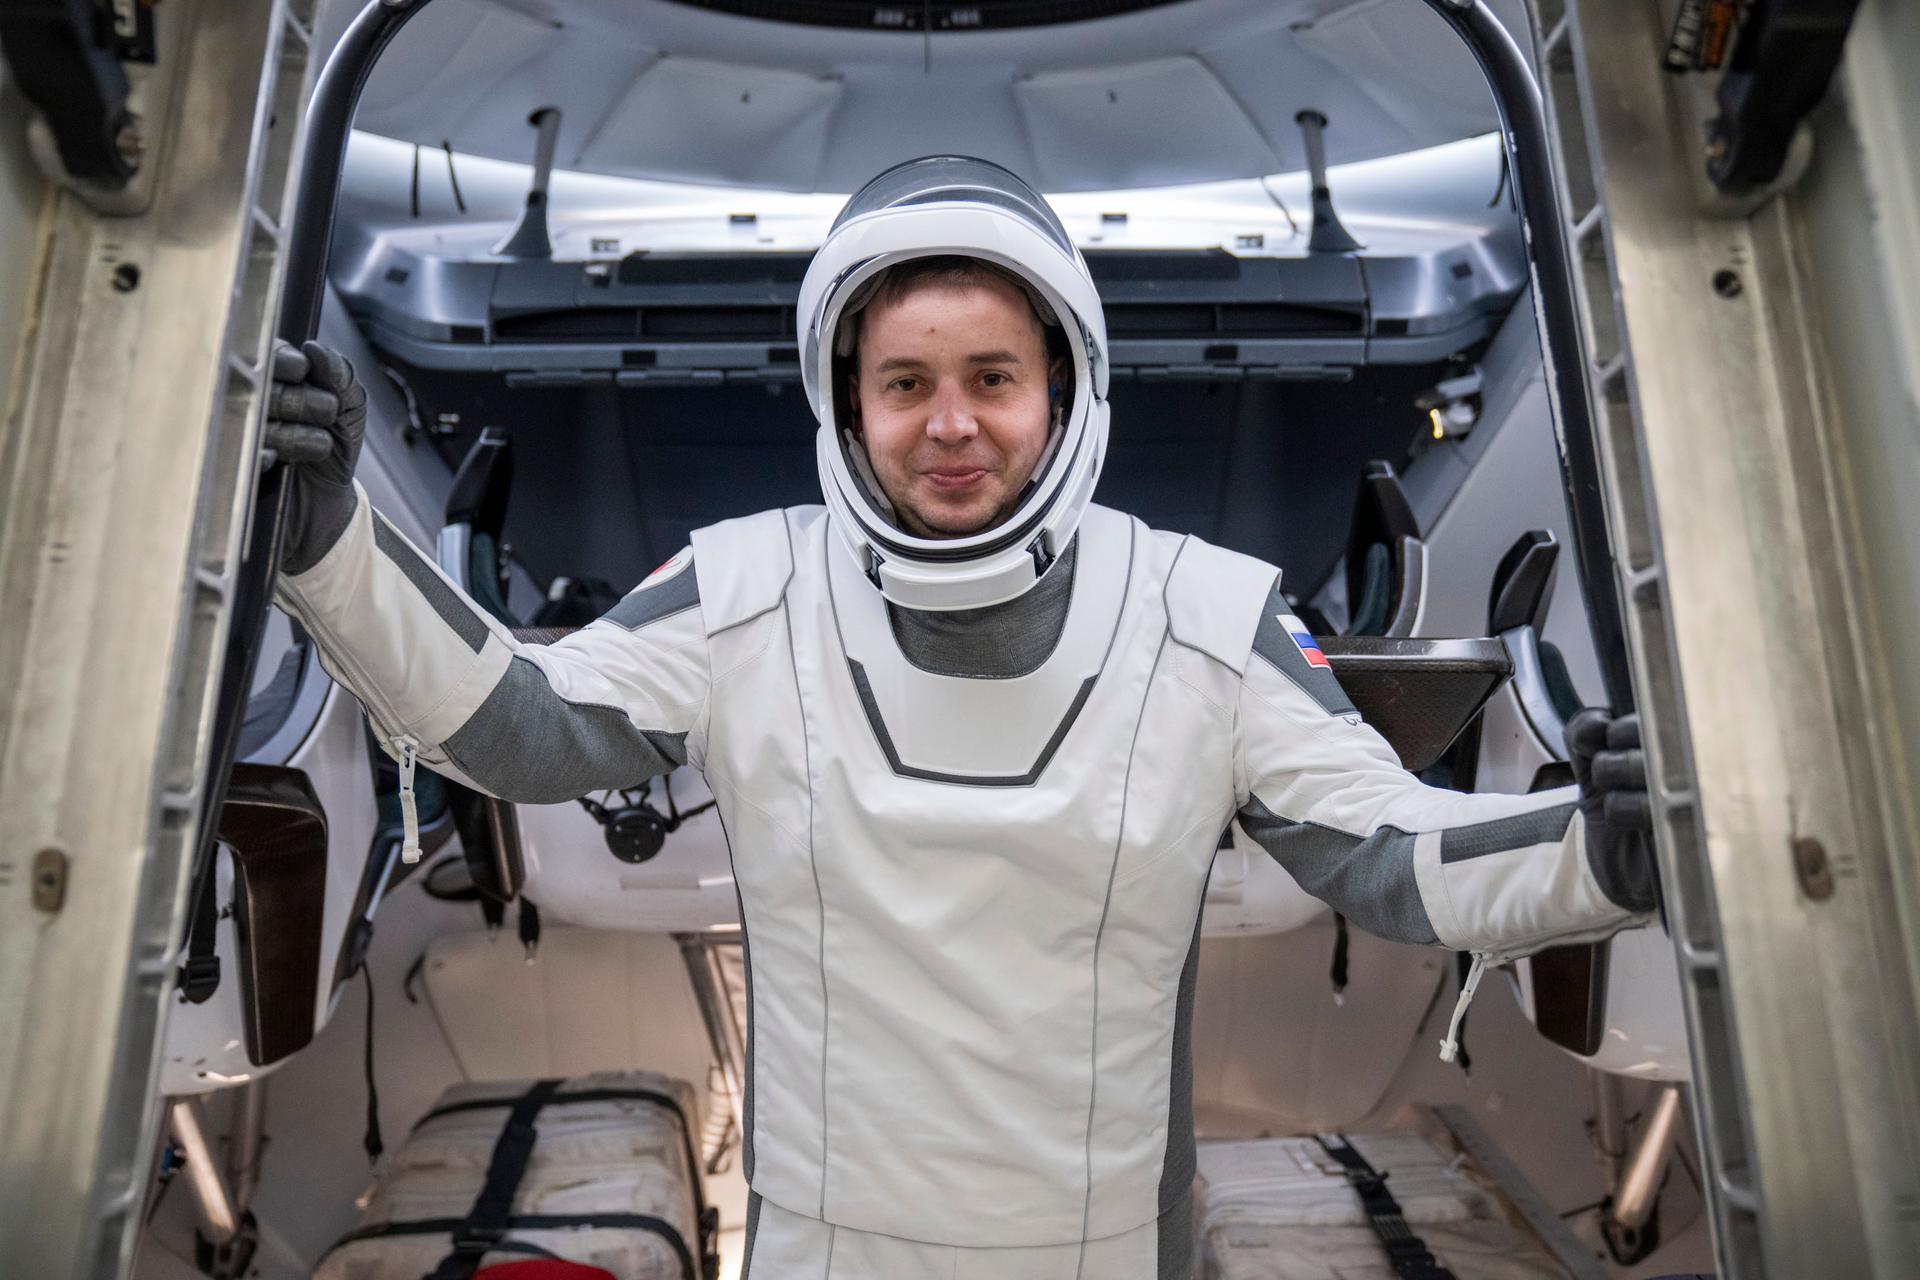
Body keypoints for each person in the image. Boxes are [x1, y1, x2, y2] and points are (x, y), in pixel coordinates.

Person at [270, 156, 1656, 1279]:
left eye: (992, 378)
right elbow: (520, 726)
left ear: (1061, 392)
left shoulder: (1208, 616)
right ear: (844, 403)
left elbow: (1397, 858)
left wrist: (1598, 857)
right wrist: (333, 542)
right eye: (906, 384)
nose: (951, 424)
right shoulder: (742, 585)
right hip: (823, 1245)